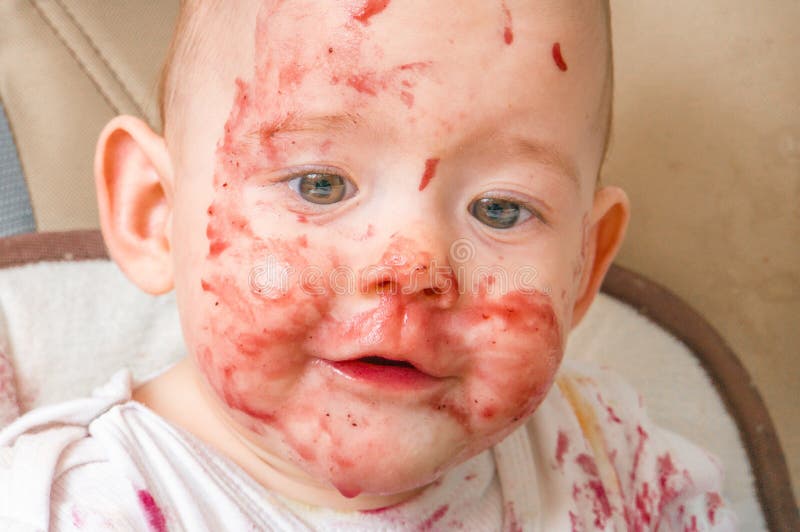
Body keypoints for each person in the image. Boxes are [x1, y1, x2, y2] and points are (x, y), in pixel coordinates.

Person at [0, 0, 736, 529]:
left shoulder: (615, 464)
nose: (412, 264)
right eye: (320, 185)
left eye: (501, 209)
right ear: (155, 213)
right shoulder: (75, 509)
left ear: (584, 263)